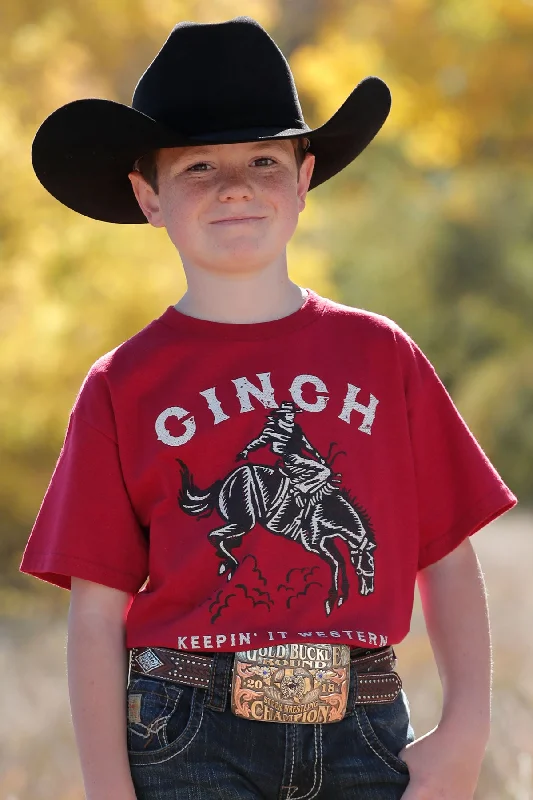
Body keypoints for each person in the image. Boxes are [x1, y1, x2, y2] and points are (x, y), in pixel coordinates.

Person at [20, 16, 517, 800]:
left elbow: (447, 556)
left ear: (303, 178)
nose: (235, 186)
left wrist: (465, 731)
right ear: (148, 194)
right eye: (198, 168)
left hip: (362, 725)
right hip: (184, 731)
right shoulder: (123, 383)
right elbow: (94, 614)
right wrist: (107, 791)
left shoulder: (381, 355)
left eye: (261, 159)